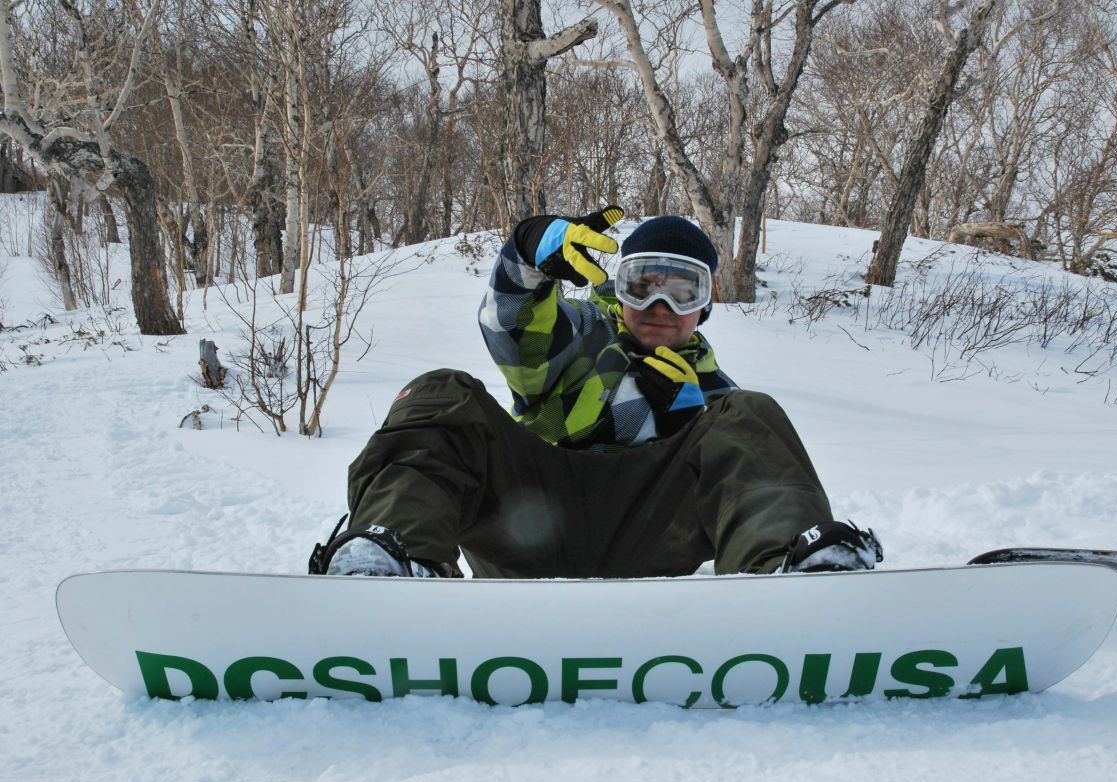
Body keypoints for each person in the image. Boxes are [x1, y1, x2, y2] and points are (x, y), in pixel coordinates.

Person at [309, 207, 881, 579]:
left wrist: (684, 418)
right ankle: (391, 562)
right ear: (619, 286)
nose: (662, 308)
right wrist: (529, 253)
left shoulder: (719, 401)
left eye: (683, 291)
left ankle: (791, 574)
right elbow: (511, 325)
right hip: (528, 520)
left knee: (754, 412)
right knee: (441, 394)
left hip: (647, 538)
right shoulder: (577, 334)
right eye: (644, 286)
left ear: (705, 304)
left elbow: (736, 480)